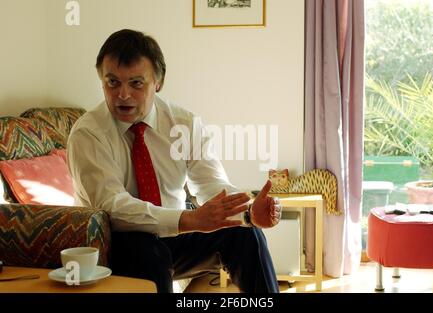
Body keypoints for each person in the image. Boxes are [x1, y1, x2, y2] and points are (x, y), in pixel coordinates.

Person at [67, 29, 282, 293]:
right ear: (101, 80)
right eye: (112, 82)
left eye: (136, 83)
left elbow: (212, 185)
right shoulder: (87, 134)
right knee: (148, 250)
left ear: (158, 82)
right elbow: (113, 207)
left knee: (246, 234)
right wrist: (190, 220)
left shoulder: (184, 124)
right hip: (115, 243)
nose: (123, 95)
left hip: (175, 234)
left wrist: (247, 213)